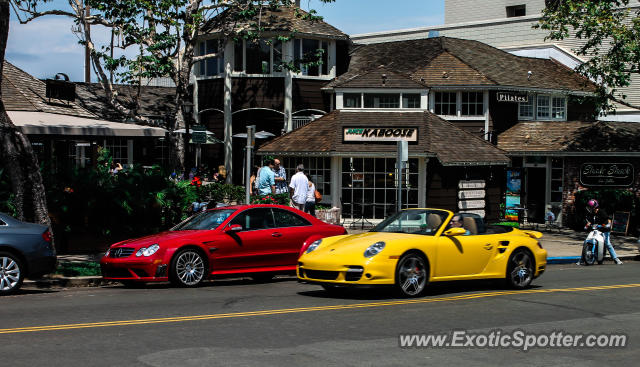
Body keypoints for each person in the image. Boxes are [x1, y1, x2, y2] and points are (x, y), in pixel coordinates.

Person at [582, 199, 623, 265]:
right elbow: (590, 221)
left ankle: (616, 258)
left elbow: (608, 220)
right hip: (597, 230)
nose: (590, 208)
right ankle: (582, 259)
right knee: (586, 241)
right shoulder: (592, 213)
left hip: (604, 230)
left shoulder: (602, 212)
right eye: (589, 207)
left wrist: (606, 225)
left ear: (595, 207)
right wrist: (587, 226)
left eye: (591, 207)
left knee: (607, 243)